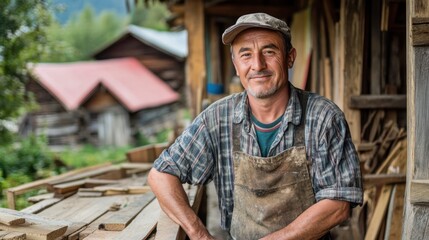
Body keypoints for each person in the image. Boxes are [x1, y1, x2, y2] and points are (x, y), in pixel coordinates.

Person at [148, 12, 363, 240]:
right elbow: (161, 174)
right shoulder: (217, 119)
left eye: (269, 52)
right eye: (246, 54)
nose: (257, 65)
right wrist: (199, 234)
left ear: (290, 57)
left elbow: (339, 203)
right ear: (235, 64)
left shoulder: (323, 118)